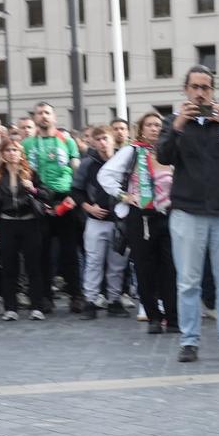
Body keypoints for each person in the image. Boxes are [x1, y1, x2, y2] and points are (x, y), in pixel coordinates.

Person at [157, 67, 219, 363]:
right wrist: (179, 126)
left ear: (213, 91)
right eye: (195, 87)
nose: (200, 93)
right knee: (188, 282)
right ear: (185, 90)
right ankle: (189, 341)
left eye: (206, 87)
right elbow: (162, 156)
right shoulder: (174, 122)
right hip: (188, 212)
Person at [100, 110, 177, 335]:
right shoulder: (132, 151)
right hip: (140, 216)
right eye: (150, 125)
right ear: (141, 129)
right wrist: (124, 196)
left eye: (158, 125)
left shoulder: (168, 152)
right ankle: (154, 316)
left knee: (170, 268)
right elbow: (105, 176)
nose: (154, 128)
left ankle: (173, 318)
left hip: (167, 215)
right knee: (145, 268)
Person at [22, 102, 83, 313]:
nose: (43, 116)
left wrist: (76, 195)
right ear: (35, 118)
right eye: (39, 113)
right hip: (39, 199)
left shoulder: (67, 140)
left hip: (64, 198)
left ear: (54, 117)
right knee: (42, 252)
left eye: (47, 113)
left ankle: (76, 295)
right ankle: (44, 297)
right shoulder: (28, 143)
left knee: (69, 251)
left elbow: (77, 170)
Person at [0, 144, 52, 320]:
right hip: (7, 223)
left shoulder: (30, 173)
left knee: (34, 266)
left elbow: (47, 194)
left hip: (30, 222)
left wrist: (32, 188)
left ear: (21, 153)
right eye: (8, 150)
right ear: (2, 154)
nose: (12, 153)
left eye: (15, 150)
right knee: (9, 267)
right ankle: (11, 308)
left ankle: (37, 307)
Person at [75, 126, 122, 319]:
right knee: (93, 261)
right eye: (99, 139)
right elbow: (76, 191)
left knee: (117, 263)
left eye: (106, 139)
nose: (103, 143)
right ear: (93, 142)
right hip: (96, 220)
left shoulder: (123, 161)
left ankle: (114, 299)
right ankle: (90, 300)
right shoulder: (87, 164)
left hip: (120, 220)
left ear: (112, 140)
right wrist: (89, 208)